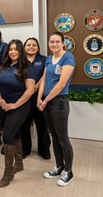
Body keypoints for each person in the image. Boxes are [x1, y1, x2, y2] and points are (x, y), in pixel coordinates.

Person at [0, 39, 35, 188]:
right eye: (10, 49)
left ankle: (8, 173)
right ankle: (19, 163)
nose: (13, 52)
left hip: (19, 106)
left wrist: (15, 104)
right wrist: (0, 100)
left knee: (8, 136)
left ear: (21, 51)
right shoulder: (2, 67)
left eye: (16, 49)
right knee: (15, 134)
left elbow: (30, 90)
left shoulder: (27, 67)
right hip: (4, 105)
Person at [37, 31, 75, 187]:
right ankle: (59, 166)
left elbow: (61, 84)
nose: (54, 44)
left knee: (63, 139)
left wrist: (45, 100)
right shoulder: (48, 59)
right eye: (51, 42)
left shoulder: (68, 58)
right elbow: (44, 79)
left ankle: (68, 171)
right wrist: (39, 98)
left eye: (57, 42)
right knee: (54, 136)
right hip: (46, 102)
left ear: (63, 43)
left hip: (58, 102)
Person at [20, 37, 51, 159]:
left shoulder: (44, 60)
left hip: (40, 97)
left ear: (38, 47)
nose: (31, 47)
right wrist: (29, 90)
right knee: (24, 125)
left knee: (42, 125)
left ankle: (44, 150)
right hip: (25, 98)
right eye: (28, 45)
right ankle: (25, 148)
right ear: (24, 47)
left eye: (34, 45)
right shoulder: (20, 61)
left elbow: (46, 75)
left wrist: (36, 87)